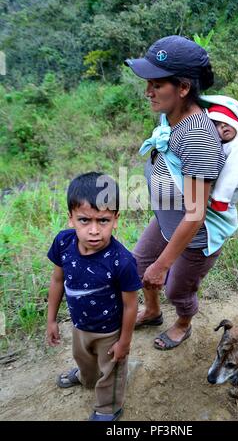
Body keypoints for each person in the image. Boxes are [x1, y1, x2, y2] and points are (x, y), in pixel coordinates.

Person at [125, 35, 225, 350]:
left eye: (157, 84)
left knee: (176, 290)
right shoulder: (172, 116)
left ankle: (183, 323)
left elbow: (196, 215)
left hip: (194, 234)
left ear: (183, 88)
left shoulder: (197, 138)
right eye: (148, 83)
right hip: (168, 219)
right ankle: (153, 312)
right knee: (139, 264)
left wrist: (164, 264)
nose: (148, 91)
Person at [46, 172, 142, 421]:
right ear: (70, 219)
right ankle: (85, 377)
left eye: (103, 220)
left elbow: (131, 306)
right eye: (84, 220)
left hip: (110, 331)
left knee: (112, 370)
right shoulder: (63, 244)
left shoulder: (122, 261)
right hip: (80, 325)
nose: (94, 230)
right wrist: (51, 319)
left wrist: (124, 342)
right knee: (84, 361)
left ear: (116, 219)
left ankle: (108, 408)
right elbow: (57, 280)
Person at [207, 104, 238, 212]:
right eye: (217, 124)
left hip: (225, 198)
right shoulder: (223, 144)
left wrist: (219, 200)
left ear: (236, 123)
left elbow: (231, 175)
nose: (223, 125)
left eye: (226, 121)